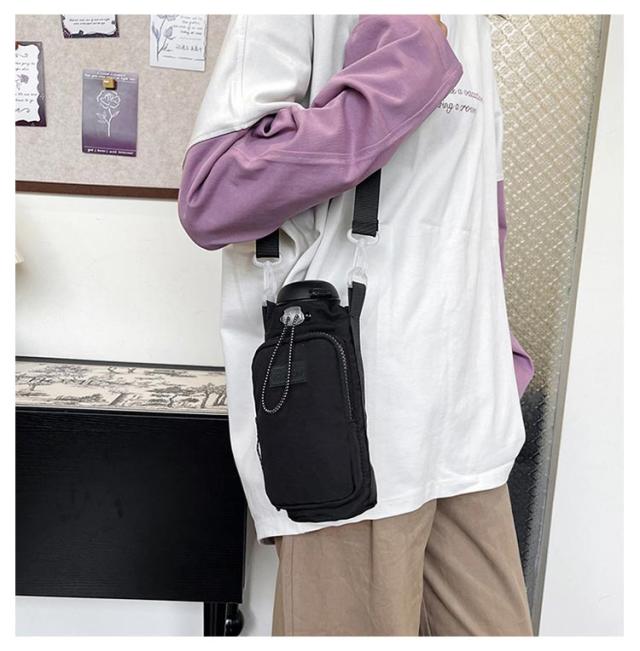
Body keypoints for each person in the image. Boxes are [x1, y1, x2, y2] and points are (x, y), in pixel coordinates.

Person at [178, 14, 535, 636]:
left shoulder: (472, 22)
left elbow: (478, 212)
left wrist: (496, 347)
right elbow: (214, 194)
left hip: (470, 427)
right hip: (354, 418)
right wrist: (409, 59)